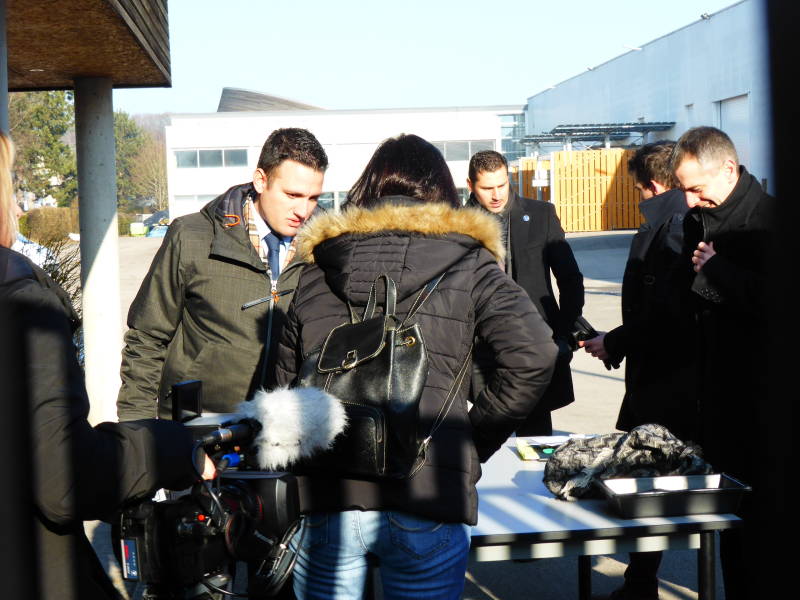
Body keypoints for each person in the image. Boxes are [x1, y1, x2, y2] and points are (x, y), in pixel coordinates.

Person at [273, 134, 558, 599]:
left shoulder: (316, 269)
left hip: (328, 495)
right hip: (428, 492)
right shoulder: (470, 262)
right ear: (443, 191)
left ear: (365, 189)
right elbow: (535, 353)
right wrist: (470, 440)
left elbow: (286, 389)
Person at [0, 133, 214, 600]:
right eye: (11, 189)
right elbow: (62, 480)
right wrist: (166, 447)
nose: (17, 207)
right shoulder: (22, 305)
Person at [117, 128, 328, 420]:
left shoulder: (327, 249)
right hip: (194, 420)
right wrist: (136, 426)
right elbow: (147, 337)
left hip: (283, 429)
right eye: (292, 195)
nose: (303, 211)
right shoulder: (192, 236)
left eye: (313, 198)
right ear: (261, 180)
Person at [581, 141, 697, 600]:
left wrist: (616, 341)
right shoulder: (669, 223)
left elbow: (667, 314)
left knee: (649, 482)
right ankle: (640, 582)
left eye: (638, 190)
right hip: (656, 373)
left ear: (652, 185)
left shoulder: (674, 228)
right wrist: (616, 343)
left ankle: (641, 585)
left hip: (668, 383)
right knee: (650, 481)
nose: (639, 199)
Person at [671, 126, 775, 600]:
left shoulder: (770, 222)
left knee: (761, 537)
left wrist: (717, 271)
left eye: (697, 188)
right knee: (730, 533)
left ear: (729, 169)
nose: (690, 201)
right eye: (684, 189)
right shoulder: (699, 220)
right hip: (716, 406)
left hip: (762, 413)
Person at [466, 150, 584, 435]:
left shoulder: (541, 214)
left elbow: (570, 279)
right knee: (484, 437)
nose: (497, 195)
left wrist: (563, 334)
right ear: (470, 185)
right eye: (487, 188)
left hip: (534, 346)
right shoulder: (457, 224)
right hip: (480, 349)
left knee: (534, 439)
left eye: (502, 185)